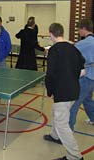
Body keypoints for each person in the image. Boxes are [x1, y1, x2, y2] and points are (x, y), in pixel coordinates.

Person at [43, 23, 85, 160]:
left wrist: (50, 91)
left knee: (62, 124)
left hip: (63, 92)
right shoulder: (73, 48)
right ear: (62, 33)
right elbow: (82, 70)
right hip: (74, 90)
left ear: (51, 34)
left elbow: (50, 75)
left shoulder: (54, 51)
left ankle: (75, 156)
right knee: (58, 112)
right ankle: (55, 136)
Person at [69, 19, 94, 131]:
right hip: (92, 77)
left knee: (74, 102)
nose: (78, 32)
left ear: (84, 29)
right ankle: (93, 118)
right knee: (87, 98)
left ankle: (68, 129)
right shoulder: (91, 41)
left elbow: (70, 50)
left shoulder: (85, 43)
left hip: (87, 77)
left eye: (79, 29)